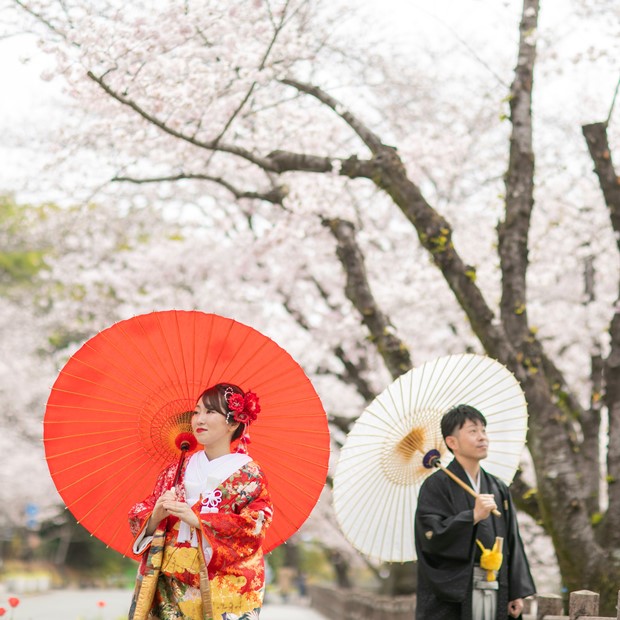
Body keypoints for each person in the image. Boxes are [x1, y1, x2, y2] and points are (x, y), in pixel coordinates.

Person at [128, 383, 273, 620]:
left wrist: (199, 519)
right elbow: (142, 512)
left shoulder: (249, 475)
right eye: (196, 412)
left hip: (224, 587)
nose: (198, 420)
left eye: (210, 412)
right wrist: (156, 515)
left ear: (234, 422)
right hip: (170, 587)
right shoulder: (175, 471)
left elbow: (255, 526)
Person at [414, 404, 535, 620]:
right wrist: (471, 517)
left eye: (483, 430)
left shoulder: (498, 487)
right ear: (452, 442)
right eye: (472, 431)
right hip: (457, 593)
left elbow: (512, 540)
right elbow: (430, 536)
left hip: (497, 586)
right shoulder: (436, 486)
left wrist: (516, 592)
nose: (482, 437)